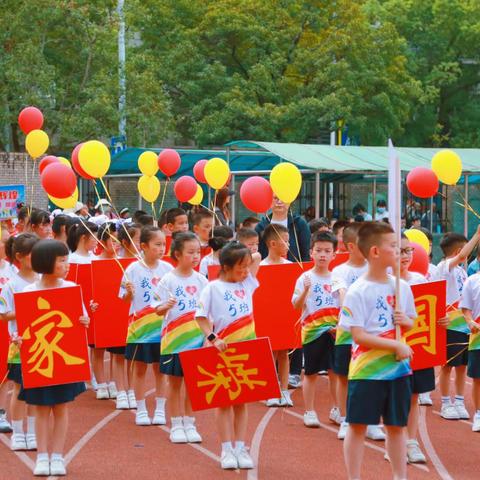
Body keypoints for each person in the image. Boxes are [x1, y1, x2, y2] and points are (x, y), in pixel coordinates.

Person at [338, 222, 416, 480]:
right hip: (367, 371)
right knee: (358, 426)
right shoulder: (357, 291)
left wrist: (405, 322)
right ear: (374, 252)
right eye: (393, 247)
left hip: (397, 370)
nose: (400, 252)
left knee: (396, 426)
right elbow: (358, 335)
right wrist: (396, 344)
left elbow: (412, 321)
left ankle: (399, 475)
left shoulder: (401, 288)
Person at [22, 239, 89, 476]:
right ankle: (42, 455)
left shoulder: (71, 288)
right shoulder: (29, 292)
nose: (67, 264)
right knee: (40, 409)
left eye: (66, 259)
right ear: (46, 262)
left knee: (61, 408)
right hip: (40, 360)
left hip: (63, 360)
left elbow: (81, 318)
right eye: (62, 260)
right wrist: (19, 339)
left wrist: (85, 321)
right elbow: (23, 329)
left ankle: (58, 455)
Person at [195, 242, 261, 470]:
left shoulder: (247, 284)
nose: (245, 271)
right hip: (223, 350)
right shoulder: (212, 288)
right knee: (224, 402)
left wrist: (242, 252)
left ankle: (241, 446)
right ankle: (226, 449)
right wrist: (213, 338)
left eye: (246, 267)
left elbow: (258, 256)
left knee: (242, 402)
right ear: (225, 266)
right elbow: (201, 317)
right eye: (240, 267)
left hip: (247, 349)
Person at [331, 223, 386, 441]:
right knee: (345, 378)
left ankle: (372, 421)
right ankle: (346, 418)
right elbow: (343, 295)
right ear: (351, 246)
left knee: (372, 376)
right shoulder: (339, 271)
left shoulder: (377, 268)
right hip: (348, 333)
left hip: (374, 334)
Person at [120, 226, 173, 426]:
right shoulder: (132, 269)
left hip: (162, 328)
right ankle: (141, 408)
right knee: (140, 369)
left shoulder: (167, 269)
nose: (161, 248)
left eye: (164, 244)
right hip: (140, 329)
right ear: (143, 246)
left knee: (161, 370)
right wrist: (129, 293)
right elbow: (124, 300)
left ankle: (160, 408)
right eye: (157, 244)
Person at [256, 196, 310, 389]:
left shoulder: (299, 223)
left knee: (289, 338)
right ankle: (269, 384)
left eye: (283, 197)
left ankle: (288, 381)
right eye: (274, 197)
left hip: (289, 289)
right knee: (270, 344)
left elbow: (305, 252)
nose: (279, 201)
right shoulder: (262, 225)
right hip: (268, 298)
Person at [159, 232, 207, 443]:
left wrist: (208, 337)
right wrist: (165, 306)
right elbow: (157, 309)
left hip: (196, 341)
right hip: (174, 341)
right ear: (177, 254)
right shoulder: (167, 280)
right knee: (175, 383)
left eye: (198, 252)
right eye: (191, 252)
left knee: (192, 383)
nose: (196, 256)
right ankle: (176, 423)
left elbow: (207, 312)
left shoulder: (202, 281)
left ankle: (190, 422)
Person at [292, 231, 341, 428]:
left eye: (327, 251)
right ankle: (309, 411)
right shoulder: (305, 277)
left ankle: (337, 409)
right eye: (318, 250)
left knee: (334, 372)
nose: (322, 255)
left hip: (335, 332)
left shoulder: (337, 278)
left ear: (334, 254)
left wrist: (340, 325)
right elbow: (296, 305)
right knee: (311, 373)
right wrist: (305, 290)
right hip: (313, 332)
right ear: (311, 252)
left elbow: (344, 303)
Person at [0, 233, 39, 451]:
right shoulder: (12, 284)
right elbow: (3, 314)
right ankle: (17, 431)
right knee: (18, 389)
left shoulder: (43, 281)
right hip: (19, 344)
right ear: (20, 257)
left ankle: (32, 431)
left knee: (34, 390)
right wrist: (24, 311)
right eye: (34, 255)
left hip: (40, 343)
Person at [437, 229, 480, 420]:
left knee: (462, 366)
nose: (467, 255)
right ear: (457, 251)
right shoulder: (444, 267)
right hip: (450, 326)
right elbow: (463, 255)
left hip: (465, 326)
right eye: (465, 250)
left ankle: (460, 400)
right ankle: (446, 402)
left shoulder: (463, 272)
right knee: (448, 366)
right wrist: (477, 235)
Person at [399, 233, 433, 463]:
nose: (405, 256)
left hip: (417, 346)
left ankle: (410, 441)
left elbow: (430, 312)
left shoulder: (420, 280)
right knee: (393, 396)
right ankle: (396, 440)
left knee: (413, 396)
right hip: (389, 349)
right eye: (400, 251)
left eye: (408, 251)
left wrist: (441, 321)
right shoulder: (384, 282)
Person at [260, 224, 293, 407]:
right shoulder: (262, 267)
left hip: (284, 317)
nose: (288, 245)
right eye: (285, 241)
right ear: (273, 243)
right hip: (268, 317)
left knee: (284, 353)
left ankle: (285, 390)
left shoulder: (289, 266)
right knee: (270, 353)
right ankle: (271, 390)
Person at [459, 271, 480, 432]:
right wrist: (470, 321)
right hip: (478, 336)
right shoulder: (472, 281)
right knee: (478, 379)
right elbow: (465, 309)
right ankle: (478, 415)